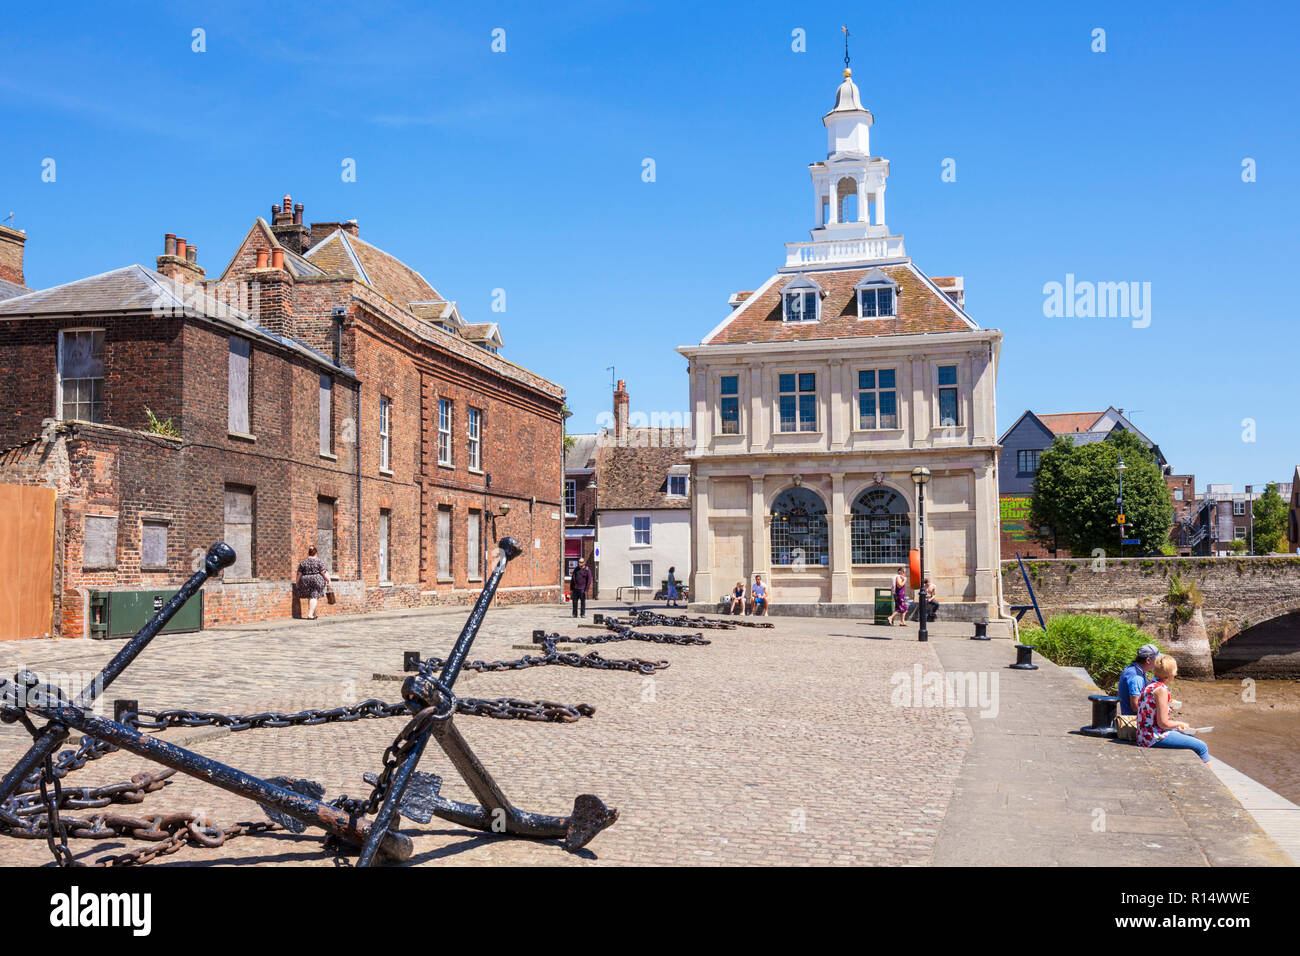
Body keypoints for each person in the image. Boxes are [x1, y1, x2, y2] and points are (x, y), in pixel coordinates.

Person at [1136, 655, 1211, 763]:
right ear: (1170, 674)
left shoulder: (1150, 684)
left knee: (1192, 739)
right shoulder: (1161, 690)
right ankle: (1208, 779)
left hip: (1143, 735)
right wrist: (1180, 723)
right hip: (1152, 737)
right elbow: (1163, 723)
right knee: (1202, 746)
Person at [1118, 644, 1161, 716]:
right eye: (1157, 660)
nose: (1158, 663)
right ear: (1148, 660)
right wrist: (1160, 707)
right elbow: (1135, 706)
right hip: (1134, 721)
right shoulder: (1136, 676)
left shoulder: (1133, 669)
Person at [295, 546, 329, 620]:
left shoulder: (303, 562)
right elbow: (323, 572)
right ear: (316, 553)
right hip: (316, 580)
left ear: (309, 553)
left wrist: (297, 583)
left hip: (305, 580)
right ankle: (310, 615)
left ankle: (314, 614)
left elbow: (299, 574)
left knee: (310, 597)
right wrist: (328, 580)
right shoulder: (319, 561)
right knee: (314, 596)